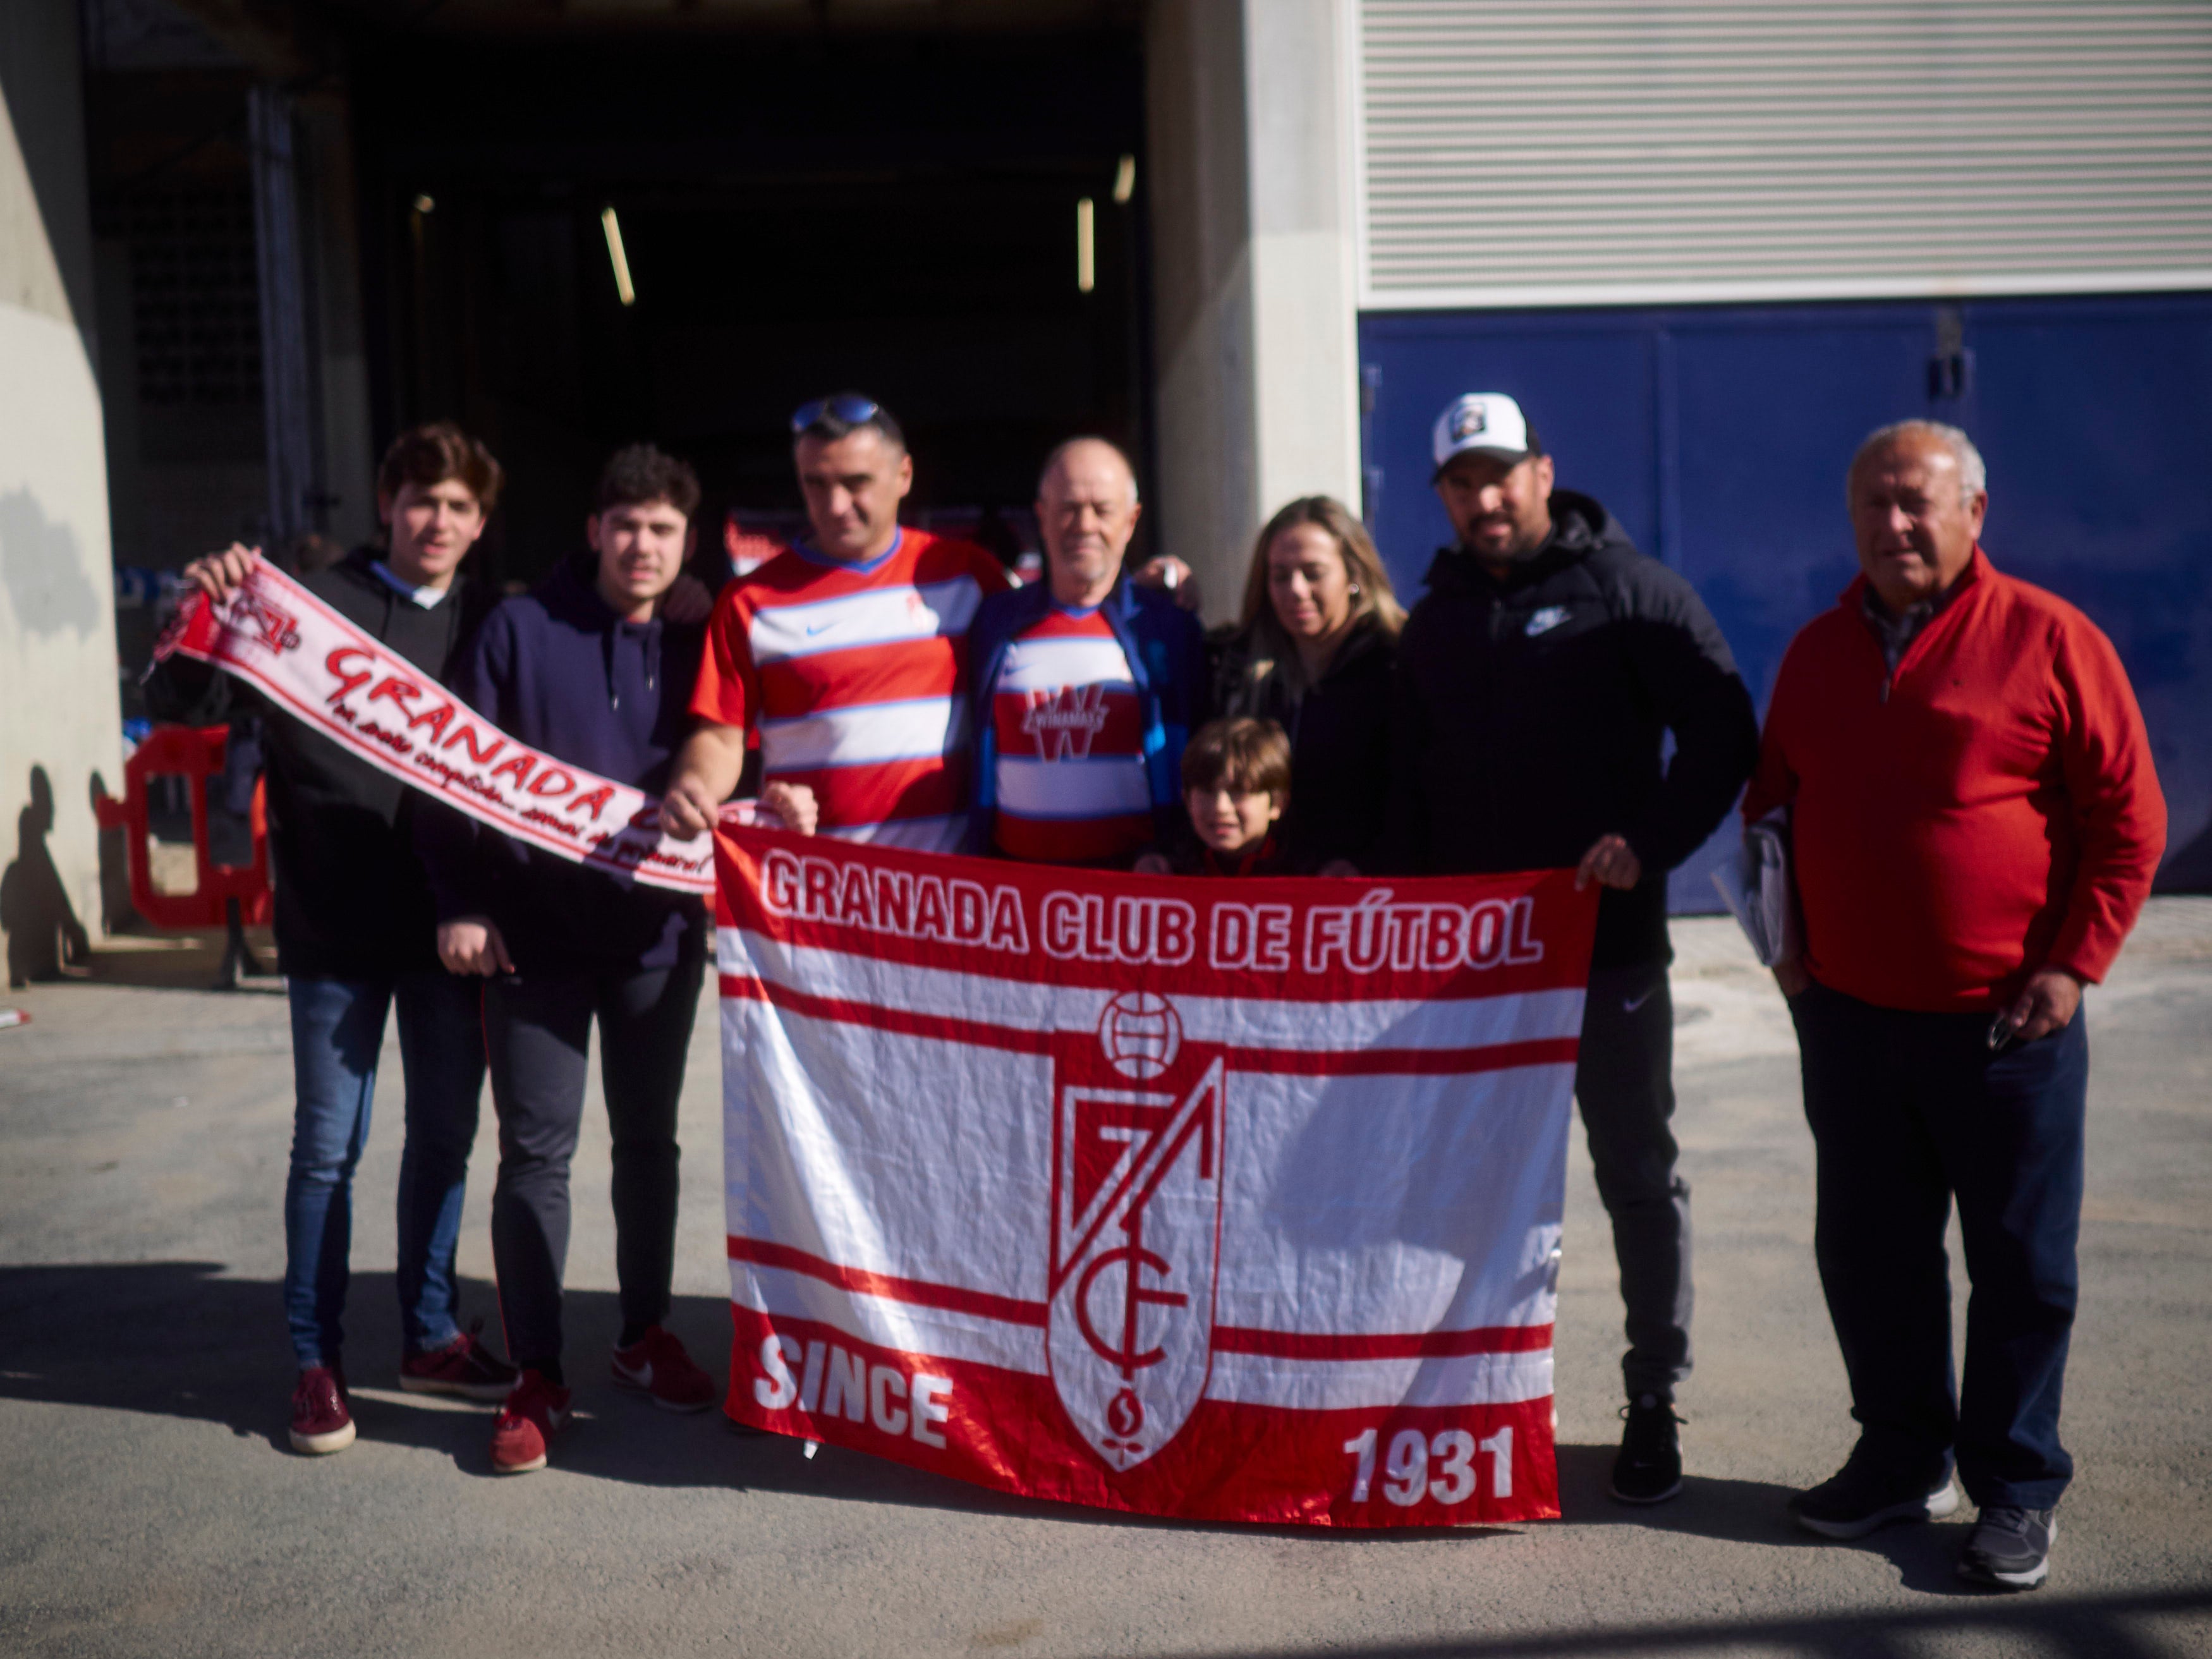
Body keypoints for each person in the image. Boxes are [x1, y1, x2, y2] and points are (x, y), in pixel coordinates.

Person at [1744, 421, 2165, 1588]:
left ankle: (2016, 1486)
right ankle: (1898, 1458)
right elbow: (1769, 809)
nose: (1894, 525)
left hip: (2006, 1027)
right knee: (1872, 1254)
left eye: (1917, 503)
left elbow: (2130, 822)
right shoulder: (1820, 652)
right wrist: (1791, 963)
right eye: (1873, 505)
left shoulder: (2049, 638)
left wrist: (2073, 965)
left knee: (2022, 1264)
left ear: (1977, 511)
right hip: (1853, 1023)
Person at [1383, 391, 1759, 1505]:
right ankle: (1472, 1398)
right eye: (1462, 482)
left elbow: (1726, 729)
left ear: (1544, 472)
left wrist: (1650, 846)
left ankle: (1654, 1397)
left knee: (1636, 1176)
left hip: (1606, 956)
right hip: (1470, 975)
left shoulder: (1630, 592)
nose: (1485, 498)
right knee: (1466, 1189)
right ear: (1443, 497)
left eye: (1502, 474)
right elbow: (1407, 783)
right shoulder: (1437, 619)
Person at [146, 422, 516, 1456]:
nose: (436, 520)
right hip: (332, 928)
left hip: (454, 932)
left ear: (479, 524)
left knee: (444, 1138)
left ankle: (431, 1334)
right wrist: (201, 615)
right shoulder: (308, 609)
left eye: (457, 506)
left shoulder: (498, 621)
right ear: (388, 506)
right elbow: (190, 702)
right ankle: (316, 1362)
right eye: (419, 500)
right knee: (328, 1150)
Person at [422, 444, 720, 1475]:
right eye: (626, 524)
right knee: (535, 1159)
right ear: (595, 530)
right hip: (533, 940)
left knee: (649, 1145)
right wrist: (461, 902)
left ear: (688, 542)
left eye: (664, 529)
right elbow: (443, 775)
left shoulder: (706, 635)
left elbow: (743, 758)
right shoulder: (515, 629)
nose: (643, 545)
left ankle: (643, 1337)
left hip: (657, 939)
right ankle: (537, 1374)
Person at [661, 394, 1009, 848]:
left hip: (944, 898)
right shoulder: (751, 601)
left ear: (904, 475)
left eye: (855, 481)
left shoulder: (970, 575)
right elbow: (722, 739)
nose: (836, 503)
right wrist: (695, 787)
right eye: (816, 484)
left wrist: (1133, 593)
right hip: (816, 891)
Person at [965, 438, 1209, 866]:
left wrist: (1177, 854)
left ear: (1132, 520)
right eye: (1068, 507)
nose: (1084, 524)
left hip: (1131, 890)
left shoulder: (1168, 629)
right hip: (1015, 890)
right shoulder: (993, 622)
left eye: (1103, 509)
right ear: (1041, 516)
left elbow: (1202, 757)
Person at [1210, 495, 1404, 872]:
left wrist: (1368, 864)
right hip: (1266, 899)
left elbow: (1414, 796)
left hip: (1367, 899)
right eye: (1281, 576)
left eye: (1313, 572)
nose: (1296, 589)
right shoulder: (1238, 671)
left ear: (1354, 576)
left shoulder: (1396, 665)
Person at [1146, 716, 1294, 877]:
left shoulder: (1307, 870)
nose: (1220, 807)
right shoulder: (1167, 864)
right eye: (1207, 791)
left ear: (1278, 804)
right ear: (1187, 800)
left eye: (1239, 792)